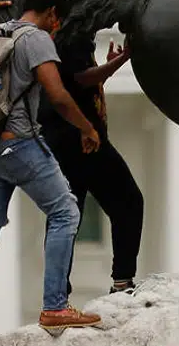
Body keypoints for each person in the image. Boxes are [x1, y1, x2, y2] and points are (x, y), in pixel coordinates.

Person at [0, 0, 103, 344]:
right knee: (65, 212)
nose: (58, 26)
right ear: (52, 13)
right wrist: (88, 128)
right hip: (19, 145)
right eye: (59, 19)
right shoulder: (37, 40)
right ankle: (55, 306)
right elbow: (57, 95)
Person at [39, 35, 144, 295]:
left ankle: (58, 289)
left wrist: (110, 67)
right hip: (81, 141)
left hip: (72, 140)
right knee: (126, 203)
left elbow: (81, 85)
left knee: (66, 215)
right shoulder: (71, 34)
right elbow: (79, 78)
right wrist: (120, 61)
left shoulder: (65, 35)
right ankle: (119, 281)